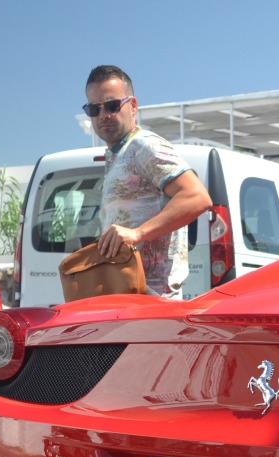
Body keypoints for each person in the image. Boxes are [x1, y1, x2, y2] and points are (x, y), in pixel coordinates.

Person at [87, 65, 212, 297]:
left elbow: (197, 197)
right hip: (129, 296)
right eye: (94, 108)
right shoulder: (118, 153)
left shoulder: (144, 145)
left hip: (153, 300)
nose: (103, 115)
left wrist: (138, 233)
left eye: (112, 105)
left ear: (132, 106)